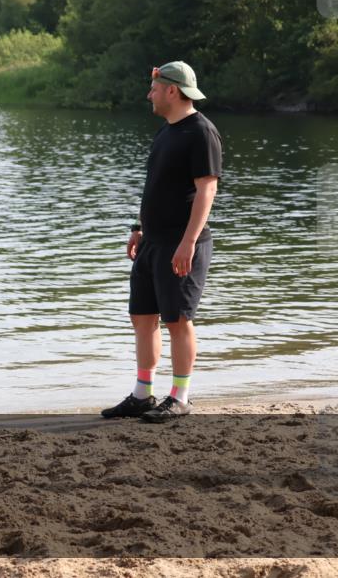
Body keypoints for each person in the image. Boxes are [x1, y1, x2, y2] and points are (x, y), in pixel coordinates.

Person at [102, 61, 222, 422]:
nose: (149, 95)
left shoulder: (201, 132)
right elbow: (155, 186)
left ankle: (180, 396)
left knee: (177, 320)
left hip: (181, 243)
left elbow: (207, 190)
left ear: (172, 90)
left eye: (154, 89)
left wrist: (189, 241)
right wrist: (139, 227)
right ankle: (143, 394)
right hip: (153, 242)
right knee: (142, 317)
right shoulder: (166, 132)